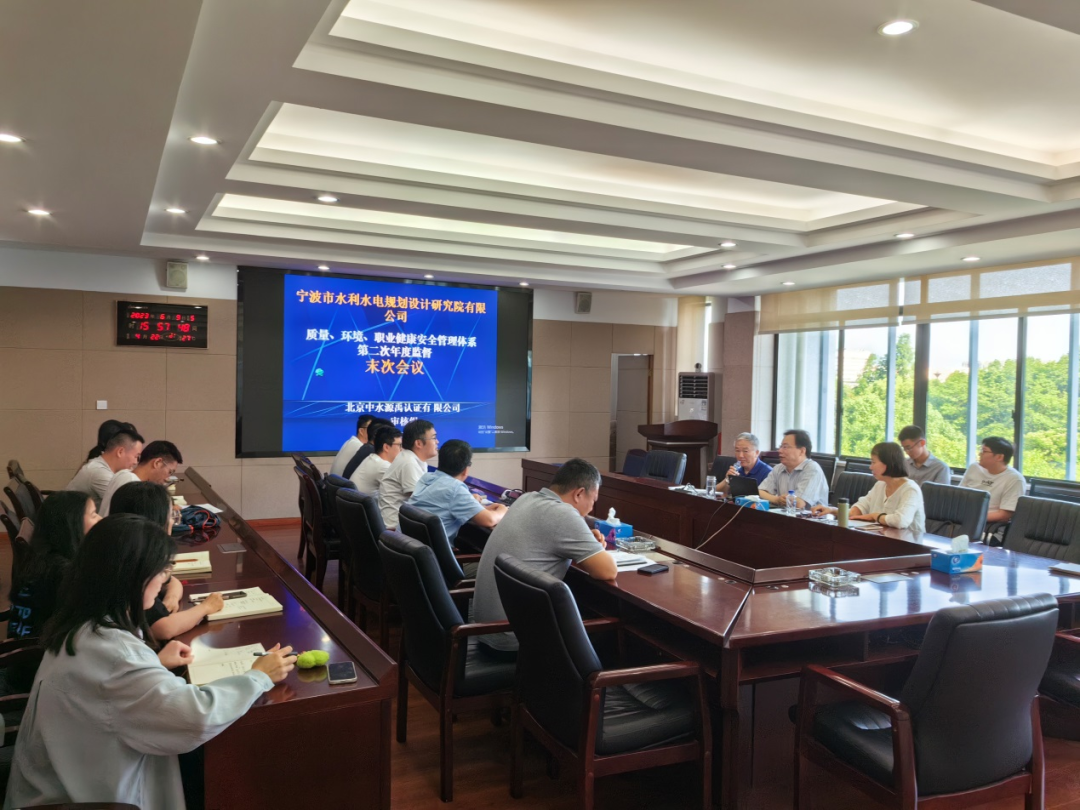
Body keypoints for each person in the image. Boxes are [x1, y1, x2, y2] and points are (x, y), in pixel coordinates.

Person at [3, 514, 295, 809]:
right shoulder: (118, 656)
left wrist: (154, 663)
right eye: (162, 570)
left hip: (57, 781)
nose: (165, 579)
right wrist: (258, 676)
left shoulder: (82, 621)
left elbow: (107, 689)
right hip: (83, 800)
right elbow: (195, 717)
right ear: (134, 576)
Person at [472, 458, 617, 657]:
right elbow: (607, 571)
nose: (592, 508)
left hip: (486, 630)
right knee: (611, 634)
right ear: (579, 493)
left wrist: (583, 541)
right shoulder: (563, 513)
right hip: (516, 641)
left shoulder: (526, 498)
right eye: (593, 500)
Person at [109, 481, 225, 640]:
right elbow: (164, 628)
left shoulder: (118, 543)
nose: (173, 522)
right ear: (155, 519)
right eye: (171, 516)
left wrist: (171, 597)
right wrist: (205, 607)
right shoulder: (134, 560)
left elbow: (171, 581)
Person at [7, 491, 100, 641]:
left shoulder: (42, 555)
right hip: (36, 650)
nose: (100, 519)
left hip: (27, 643)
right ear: (72, 522)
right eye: (94, 514)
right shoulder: (61, 571)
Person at [406, 439, 508, 543]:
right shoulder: (455, 488)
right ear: (465, 470)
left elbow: (439, 505)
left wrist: (479, 508)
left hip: (411, 546)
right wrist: (503, 510)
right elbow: (489, 520)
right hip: (432, 550)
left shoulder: (426, 478)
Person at [812, 442, 925, 533]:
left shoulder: (910, 489)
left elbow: (901, 521)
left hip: (911, 546)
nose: (870, 467)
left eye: (873, 462)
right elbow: (856, 512)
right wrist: (831, 510)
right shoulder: (880, 485)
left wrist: (874, 516)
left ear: (887, 463)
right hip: (882, 539)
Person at [960, 436, 1026, 542]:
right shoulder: (974, 468)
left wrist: (972, 518)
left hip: (989, 529)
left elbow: (1004, 515)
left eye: (984, 451)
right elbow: (959, 495)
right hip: (961, 521)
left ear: (999, 457)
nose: (980, 454)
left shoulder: (1015, 479)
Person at [379, 419, 438, 531]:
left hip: (400, 525)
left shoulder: (412, 459)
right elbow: (422, 501)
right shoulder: (408, 462)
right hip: (395, 530)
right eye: (434, 438)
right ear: (418, 443)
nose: (437, 442)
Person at [65, 425, 144, 508]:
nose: (135, 462)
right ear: (120, 452)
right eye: (136, 456)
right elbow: (127, 504)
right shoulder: (99, 472)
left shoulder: (102, 466)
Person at [99, 439, 183, 517]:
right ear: (157, 463)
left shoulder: (123, 474)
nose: (167, 478)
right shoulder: (134, 487)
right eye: (170, 472)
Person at [758, 429, 830, 508]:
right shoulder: (778, 468)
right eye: (780, 447)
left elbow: (799, 504)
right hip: (783, 513)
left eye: (785, 447)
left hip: (810, 515)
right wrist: (777, 499)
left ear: (802, 451)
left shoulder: (812, 469)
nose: (780, 451)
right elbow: (760, 492)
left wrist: (773, 498)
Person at [349, 424, 402, 494]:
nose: (401, 449)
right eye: (399, 445)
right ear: (386, 447)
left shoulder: (372, 458)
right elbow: (405, 491)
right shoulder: (383, 467)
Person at [716, 432, 772, 496]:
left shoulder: (768, 473)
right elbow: (716, 492)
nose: (740, 455)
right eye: (737, 451)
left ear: (756, 453)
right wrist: (727, 479)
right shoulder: (737, 469)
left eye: (745, 451)